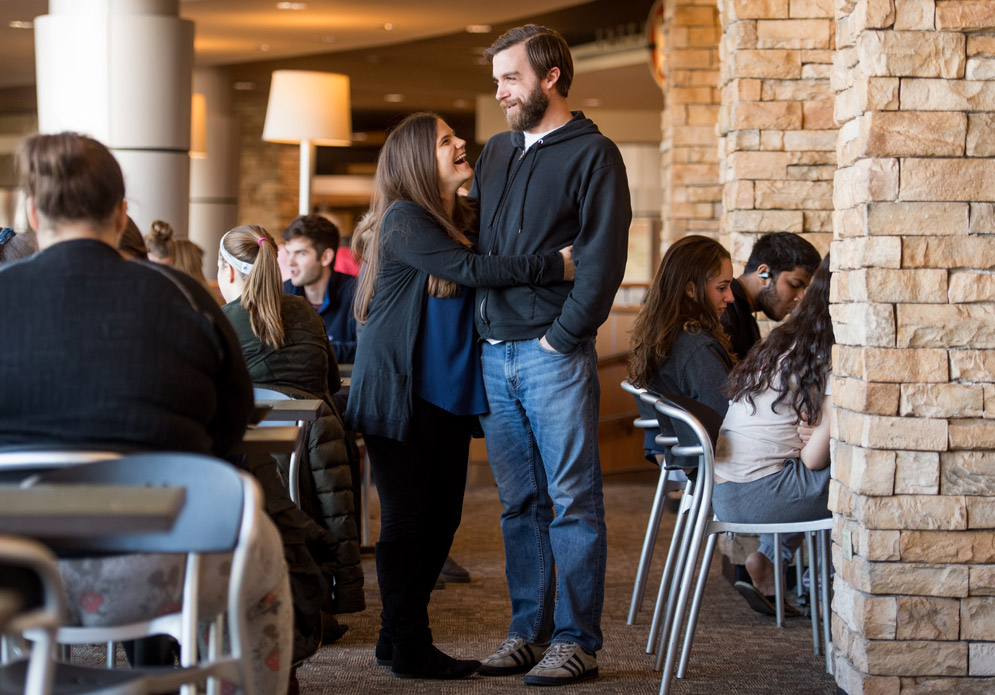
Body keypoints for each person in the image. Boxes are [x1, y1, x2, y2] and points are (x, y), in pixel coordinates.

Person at [0, 132, 292, 694]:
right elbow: (229, 429)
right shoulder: (181, 294)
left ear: (33, 212)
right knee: (264, 549)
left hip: (16, 567)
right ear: (121, 212)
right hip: (161, 570)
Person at [344, 112, 572, 680]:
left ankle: (392, 636)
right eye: (445, 140)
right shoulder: (403, 219)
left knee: (443, 521)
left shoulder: (458, 218)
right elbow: (473, 270)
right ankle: (411, 646)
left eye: (454, 136)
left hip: (447, 397)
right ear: (418, 161)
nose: (460, 143)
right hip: (401, 394)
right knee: (407, 521)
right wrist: (558, 265)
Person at [470, 24, 630, 686]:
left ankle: (576, 639)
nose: (500, 91)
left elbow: (600, 261)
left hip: (549, 353)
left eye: (510, 78)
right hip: (493, 350)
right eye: (498, 79)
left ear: (550, 77)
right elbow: (478, 253)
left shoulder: (594, 154)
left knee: (571, 500)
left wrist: (560, 336)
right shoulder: (496, 152)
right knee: (517, 503)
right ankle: (527, 631)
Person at [217, 224, 365, 667]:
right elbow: (328, 386)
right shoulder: (307, 315)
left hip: (247, 466)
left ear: (227, 272)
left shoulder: (223, 324)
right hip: (316, 463)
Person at [712, 254, 833, 614]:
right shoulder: (832, 352)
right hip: (759, 496)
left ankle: (771, 559)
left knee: (815, 471)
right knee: (852, 475)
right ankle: (824, 594)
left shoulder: (787, 339)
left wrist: (818, 432)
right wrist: (825, 433)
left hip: (725, 490)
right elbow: (814, 459)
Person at [628, 235, 736, 461]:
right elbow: (729, 424)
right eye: (722, 287)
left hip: (682, 454)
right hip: (709, 465)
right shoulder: (697, 348)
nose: (730, 297)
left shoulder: (666, 334)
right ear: (691, 290)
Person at [722, 231, 821, 360]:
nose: (801, 298)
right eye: (795, 285)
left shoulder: (743, 316)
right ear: (764, 274)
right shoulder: (725, 312)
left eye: (805, 289)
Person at [282, 214, 358, 364]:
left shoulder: (356, 292)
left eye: (301, 253)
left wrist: (304, 349)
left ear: (325, 257)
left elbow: (363, 350)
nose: (290, 262)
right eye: (288, 252)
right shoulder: (283, 292)